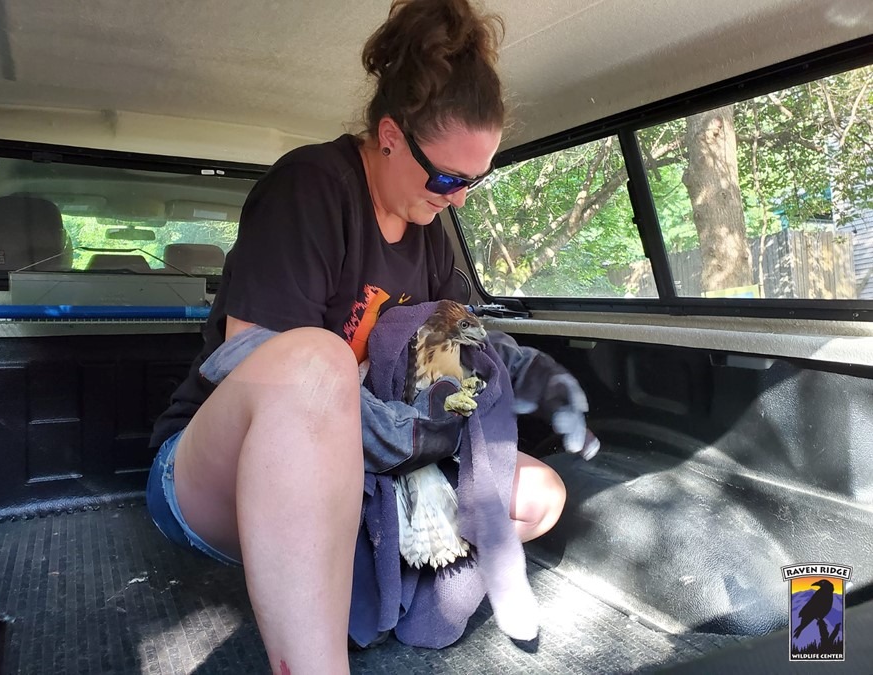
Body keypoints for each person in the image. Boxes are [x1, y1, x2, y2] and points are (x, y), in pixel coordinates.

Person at [146, 0, 594, 672]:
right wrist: (393, 430)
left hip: (371, 480)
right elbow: (248, 356)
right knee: (315, 360)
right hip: (212, 478)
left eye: (476, 179)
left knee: (539, 496)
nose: (460, 197)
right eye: (447, 177)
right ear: (390, 135)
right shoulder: (312, 189)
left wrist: (524, 387)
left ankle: (382, 580)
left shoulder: (433, 236)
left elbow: (451, 358)